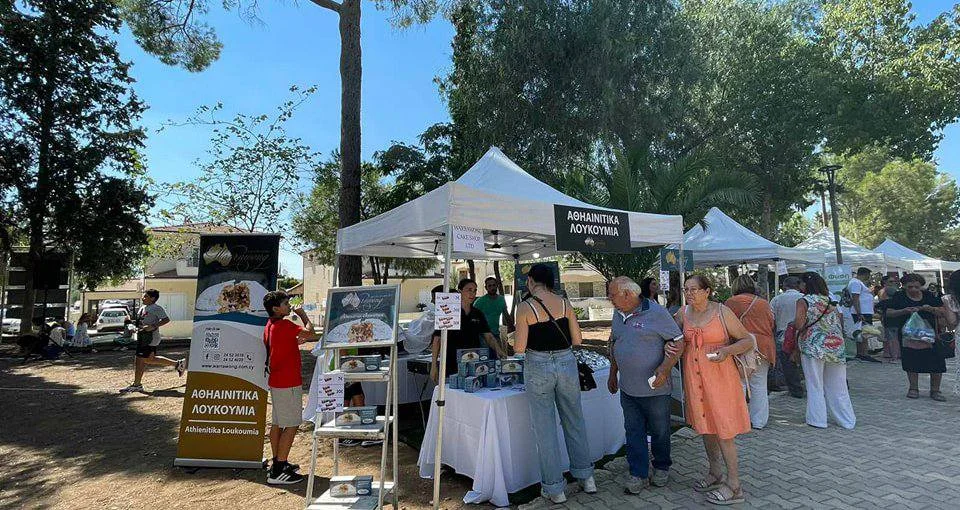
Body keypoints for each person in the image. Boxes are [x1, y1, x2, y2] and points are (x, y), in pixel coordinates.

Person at [667, 274, 753, 506]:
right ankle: (715, 473)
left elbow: (747, 340)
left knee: (724, 430)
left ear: (707, 291)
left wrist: (727, 351)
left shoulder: (722, 312)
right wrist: (669, 345)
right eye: (686, 289)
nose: (689, 293)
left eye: (694, 289)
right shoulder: (683, 313)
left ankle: (735, 486)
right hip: (695, 380)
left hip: (721, 379)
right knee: (706, 427)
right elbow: (671, 336)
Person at [514, 264, 596, 504]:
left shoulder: (525, 306)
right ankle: (587, 478)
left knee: (545, 428)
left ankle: (555, 488)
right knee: (575, 420)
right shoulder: (564, 303)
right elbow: (577, 339)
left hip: (538, 364)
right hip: (566, 361)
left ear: (531, 281)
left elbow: (519, 347)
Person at [607, 276, 682, 494]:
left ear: (628, 294)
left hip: (655, 389)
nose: (609, 299)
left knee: (660, 431)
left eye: (612, 295)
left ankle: (661, 466)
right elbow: (615, 343)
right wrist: (613, 373)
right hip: (628, 388)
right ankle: (638, 473)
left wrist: (665, 369)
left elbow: (679, 341)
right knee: (633, 431)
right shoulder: (618, 314)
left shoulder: (657, 313)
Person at [262, 290, 321, 484]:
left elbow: (279, 344)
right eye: (286, 304)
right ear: (276, 308)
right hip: (288, 382)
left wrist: (294, 340)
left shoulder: (270, 325)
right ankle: (279, 470)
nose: (289, 307)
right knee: (292, 424)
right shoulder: (286, 325)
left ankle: (278, 463)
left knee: (278, 424)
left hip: (277, 381)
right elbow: (311, 334)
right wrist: (303, 315)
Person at [794, 272, 855, 429]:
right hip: (835, 346)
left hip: (813, 345)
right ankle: (847, 420)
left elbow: (799, 324)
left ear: (805, 284)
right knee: (838, 385)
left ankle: (817, 419)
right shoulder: (831, 300)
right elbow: (840, 321)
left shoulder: (804, 301)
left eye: (800, 283)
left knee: (815, 384)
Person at [885, 274, 950, 401]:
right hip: (909, 334)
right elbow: (888, 313)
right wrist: (904, 311)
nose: (913, 289)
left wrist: (930, 309)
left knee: (937, 361)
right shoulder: (899, 296)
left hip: (930, 334)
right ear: (904, 286)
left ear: (921, 286)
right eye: (910, 287)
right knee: (911, 360)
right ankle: (913, 388)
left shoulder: (928, 295)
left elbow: (942, 310)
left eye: (916, 287)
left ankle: (935, 390)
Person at [724, 275, 776, 429]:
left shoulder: (731, 302)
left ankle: (738, 419)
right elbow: (771, 323)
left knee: (739, 383)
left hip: (741, 345)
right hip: (764, 347)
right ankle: (759, 421)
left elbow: (726, 325)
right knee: (759, 384)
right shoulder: (763, 303)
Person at [430, 279, 506, 383]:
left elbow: (488, 336)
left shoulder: (477, 313)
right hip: (451, 365)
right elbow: (437, 340)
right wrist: (433, 365)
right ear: (460, 291)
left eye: (474, 290)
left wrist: (499, 350)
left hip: (473, 365)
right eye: (469, 290)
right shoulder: (448, 312)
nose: (472, 294)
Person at [120, 290, 185, 393]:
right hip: (142, 337)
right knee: (149, 359)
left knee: (140, 360)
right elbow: (141, 322)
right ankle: (178, 364)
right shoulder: (142, 308)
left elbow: (166, 319)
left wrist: (153, 326)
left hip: (150, 339)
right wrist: (130, 324)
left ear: (153, 298)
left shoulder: (156, 308)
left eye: (145, 296)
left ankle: (137, 385)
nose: (143, 298)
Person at [769, 276, 806, 398]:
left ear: (784, 286)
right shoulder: (804, 298)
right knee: (805, 361)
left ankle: (795, 389)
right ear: (798, 285)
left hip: (783, 334)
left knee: (787, 363)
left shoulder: (777, 299)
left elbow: (771, 319)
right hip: (802, 332)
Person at [848, 267, 880, 363]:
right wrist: (859, 312)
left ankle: (862, 353)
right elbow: (855, 298)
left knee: (863, 332)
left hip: (865, 311)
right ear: (865, 274)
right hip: (862, 312)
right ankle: (863, 353)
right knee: (865, 332)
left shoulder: (859, 283)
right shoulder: (855, 283)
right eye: (868, 275)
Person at [877, 274, 902, 361]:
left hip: (890, 315)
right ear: (884, 282)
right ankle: (894, 355)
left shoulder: (888, 290)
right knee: (892, 336)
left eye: (894, 281)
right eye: (891, 281)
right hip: (890, 316)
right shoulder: (886, 290)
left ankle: (888, 353)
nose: (893, 283)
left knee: (889, 335)